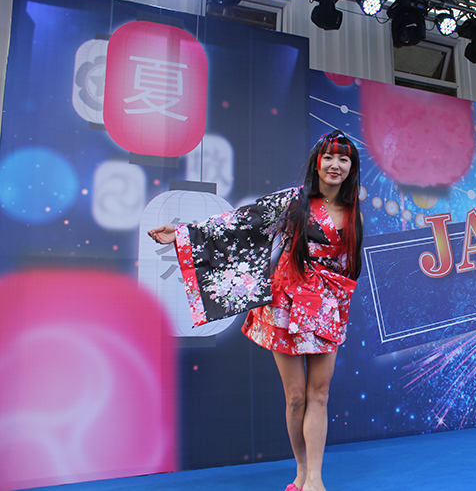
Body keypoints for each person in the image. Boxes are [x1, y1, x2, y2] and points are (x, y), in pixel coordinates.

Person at [149, 131, 363, 491]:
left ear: (352, 168)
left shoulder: (354, 213)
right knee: (296, 397)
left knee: (320, 393)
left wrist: (338, 307)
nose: (335, 165)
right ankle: (300, 471)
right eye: (328, 157)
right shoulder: (293, 201)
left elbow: (347, 269)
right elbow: (239, 223)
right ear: (317, 163)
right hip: (285, 304)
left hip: (326, 308)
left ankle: (315, 479)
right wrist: (184, 233)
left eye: (344, 159)